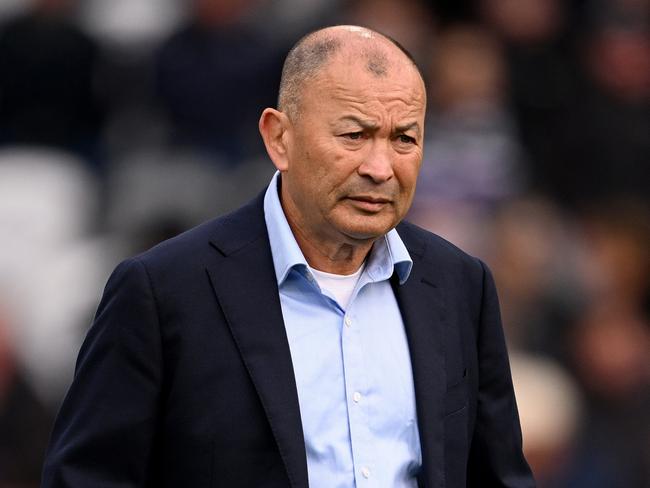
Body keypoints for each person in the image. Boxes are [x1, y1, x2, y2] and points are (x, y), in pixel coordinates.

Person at [42, 26, 535, 487]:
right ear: (279, 137)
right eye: (353, 135)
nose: (381, 167)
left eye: (404, 138)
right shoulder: (163, 291)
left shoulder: (460, 284)